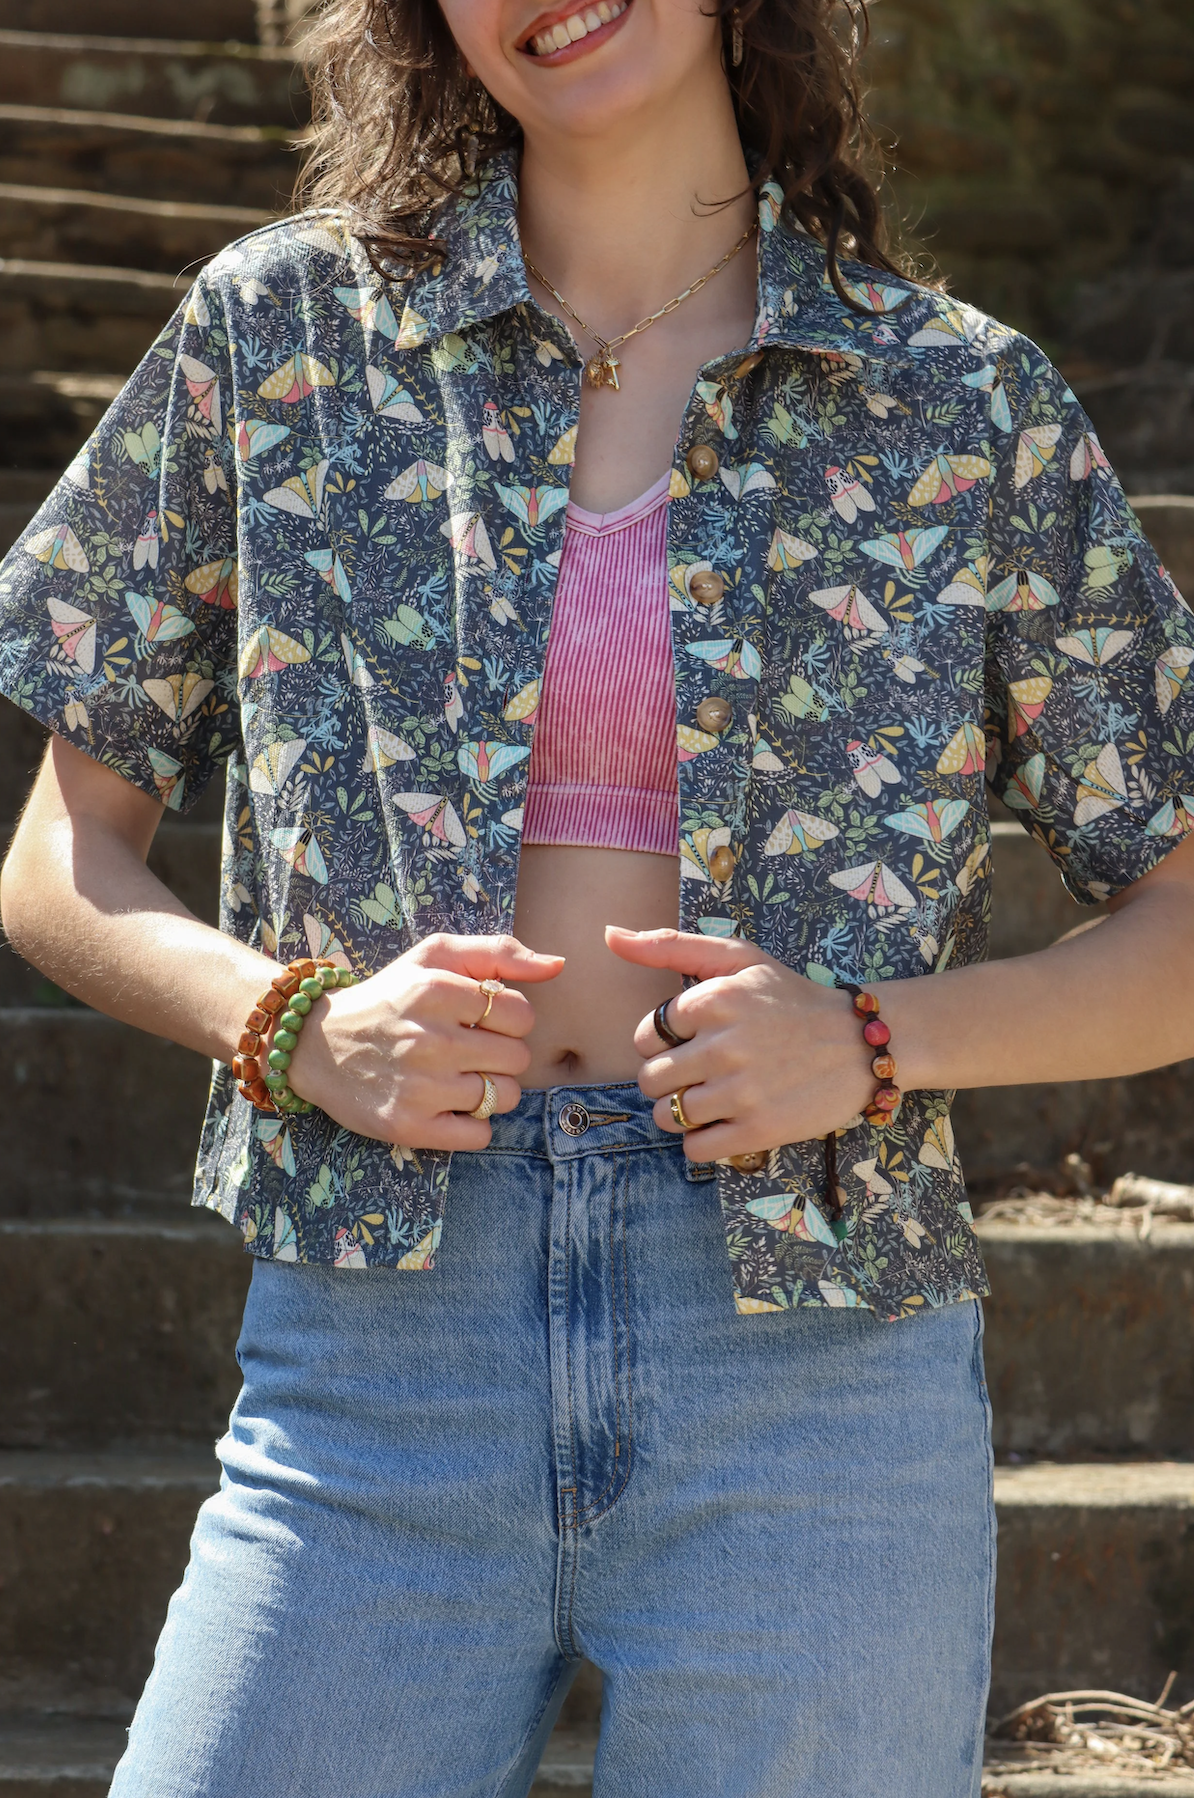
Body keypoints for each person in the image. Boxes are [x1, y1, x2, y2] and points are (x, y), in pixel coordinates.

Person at [1, 0, 1192, 1791]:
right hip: (379, 1361)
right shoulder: (282, 334)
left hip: (813, 1372)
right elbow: (57, 859)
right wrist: (291, 1020)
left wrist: (871, 1040)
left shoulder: (964, 403)